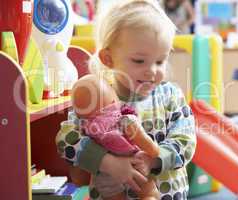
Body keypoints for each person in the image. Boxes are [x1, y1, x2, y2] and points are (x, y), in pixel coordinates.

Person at [55, 0, 196, 199]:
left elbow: (186, 140)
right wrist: (108, 163)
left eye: (160, 60)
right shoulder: (97, 96)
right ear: (108, 58)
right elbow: (66, 140)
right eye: (139, 61)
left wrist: (154, 160)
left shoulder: (171, 95)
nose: (152, 71)